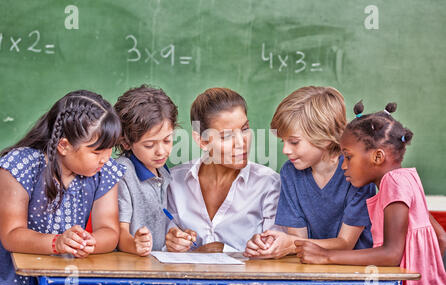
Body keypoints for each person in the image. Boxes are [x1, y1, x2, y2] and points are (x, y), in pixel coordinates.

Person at [294, 101, 446, 285]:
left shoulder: (394, 184)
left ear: (377, 157)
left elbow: (391, 255)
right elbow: (441, 237)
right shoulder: (405, 180)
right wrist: (429, 278)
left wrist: (325, 256)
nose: (343, 166)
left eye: (348, 157)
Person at [0, 90, 125, 285]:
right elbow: (11, 235)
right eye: (96, 151)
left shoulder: (104, 172)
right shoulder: (20, 166)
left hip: (65, 284)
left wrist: (90, 242)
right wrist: (56, 243)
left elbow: (110, 232)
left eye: (110, 149)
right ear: (64, 146)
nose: (105, 158)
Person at [244, 86, 375, 259]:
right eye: (283, 141)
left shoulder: (357, 172)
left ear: (325, 138)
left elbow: (345, 243)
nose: (285, 150)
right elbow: (297, 241)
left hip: (352, 271)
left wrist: (290, 244)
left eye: (294, 142)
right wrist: (271, 244)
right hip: (309, 268)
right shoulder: (290, 173)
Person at [165, 87, 282, 253]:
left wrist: (223, 250)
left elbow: (274, 253)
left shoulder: (269, 184)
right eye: (227, 136)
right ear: (202, 141)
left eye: (244, 129)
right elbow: (165, 242)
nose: (241, 143)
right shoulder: (174, 182)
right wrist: (172, 242)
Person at [114, 85, 178, 256]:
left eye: (167, 140)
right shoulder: (122, 173)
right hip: (128, 268)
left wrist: (175, 239)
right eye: (149, 145)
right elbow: (119, 233)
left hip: (154, 266)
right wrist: (135, 245)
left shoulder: (163, 172)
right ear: (126, 143)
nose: (161, 151)